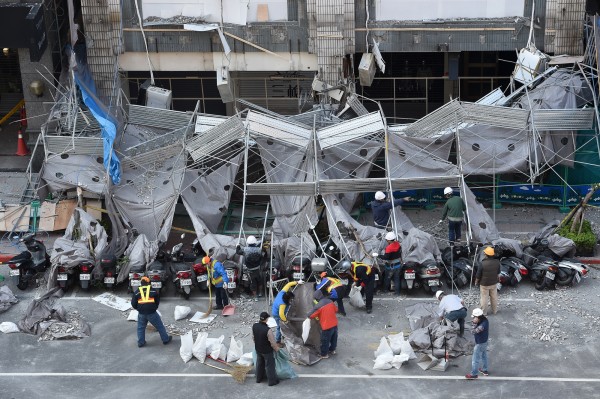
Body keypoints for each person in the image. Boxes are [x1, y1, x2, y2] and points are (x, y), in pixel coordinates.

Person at [131, 276, 172, 348]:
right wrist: (154, 308)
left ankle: (141, 342)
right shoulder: (153, 291)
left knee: (140, 328)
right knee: (159, 326)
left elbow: (133, 303)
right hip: (152, 312)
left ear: (141, 283)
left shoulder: (137, 292)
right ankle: (165, 339)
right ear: (148, 283)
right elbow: (157, 301)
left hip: (142, 313)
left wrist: (139, 309)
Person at [308, 290, 338, 359]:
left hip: (326, 326)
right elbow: (336, 310)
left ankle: (324, 354)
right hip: (334, 324)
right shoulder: (330, 301)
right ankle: (332, 350)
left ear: (316, 299)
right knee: (334, 338)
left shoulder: (318, 306)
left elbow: (310, 315)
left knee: (325, 340)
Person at [252, 311, 280, 386]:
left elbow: (253, 337)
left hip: (258, 349)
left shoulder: (255, 326)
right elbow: (272, 342)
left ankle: (258, 378)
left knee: (259, 364)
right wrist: (277, 349)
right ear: (266, 319)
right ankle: (272, 381)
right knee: (269, 366)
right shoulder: (268, 330)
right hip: (267, 351)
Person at [236, 235, 266, 302]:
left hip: (250, 270)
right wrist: (263, 239)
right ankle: (260, 293)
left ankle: (255, 297)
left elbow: (238, 252)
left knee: (253, 284)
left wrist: (237, 246)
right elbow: (263, 253)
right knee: (259, 281)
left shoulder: (245, 250)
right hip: (258, 269)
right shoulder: (259, 249)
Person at [466, 308, 490, 380]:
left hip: (480, 343)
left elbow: (473, 332)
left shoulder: (482, 326)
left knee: (475, 359)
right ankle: (485, 370)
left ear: (478, 317)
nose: (473, 318)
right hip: (484, 341)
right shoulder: (485, 320)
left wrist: (474, 323)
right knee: (484, 356)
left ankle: (474, 374)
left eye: (474, 317)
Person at [476, 246, 501, 315]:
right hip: (493, 283)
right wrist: (498, 280)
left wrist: (476, 281)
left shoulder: (482, 263)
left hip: (484, 284)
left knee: (484, 298)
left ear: (486, 255)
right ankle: (494, 311)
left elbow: (478, 275)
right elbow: (498, 273)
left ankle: (484, 313)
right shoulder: (497, 262)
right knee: (494, 297)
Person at [380, 231, 402, 295]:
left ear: (389, 240)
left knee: (387, 278)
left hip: (390, 267)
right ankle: (397, 293)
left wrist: (378, 255)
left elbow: (385, 257)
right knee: (396, 279)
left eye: (387, 240)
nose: (386, 241)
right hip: (398, 265)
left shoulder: (389, 248)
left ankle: (385, 290)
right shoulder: (398, 244)